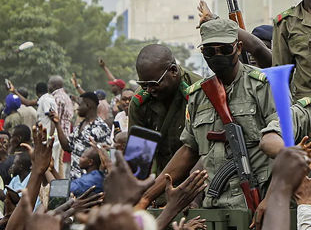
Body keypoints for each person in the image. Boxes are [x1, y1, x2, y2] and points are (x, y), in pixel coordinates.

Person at [139, 18, 276, 209]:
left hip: (258, 202)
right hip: (214, 204)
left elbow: (284, 150)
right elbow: (189, 150)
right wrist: (147, 197)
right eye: (210, 51)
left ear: (238, 48)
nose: (217, 55)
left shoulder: (263, 86)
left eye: (225, 49)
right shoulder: (199, 95)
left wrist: (271, 200)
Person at [129, 44, 201, 172]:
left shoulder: (199, 93)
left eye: (154, 84)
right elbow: (139, 158)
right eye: (144, 85)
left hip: (198, 174)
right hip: (162, 176)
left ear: (173, 71)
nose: (149, 90)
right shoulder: (140, 102)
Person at [51, 91, 112, 180]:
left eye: (80, 105)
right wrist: (57, 124)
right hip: (75, 180)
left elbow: (104, 157)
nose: (77, 109)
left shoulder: (101, 127)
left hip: (90, 182)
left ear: (88, 105)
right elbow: (67, 147)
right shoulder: (79, 126)